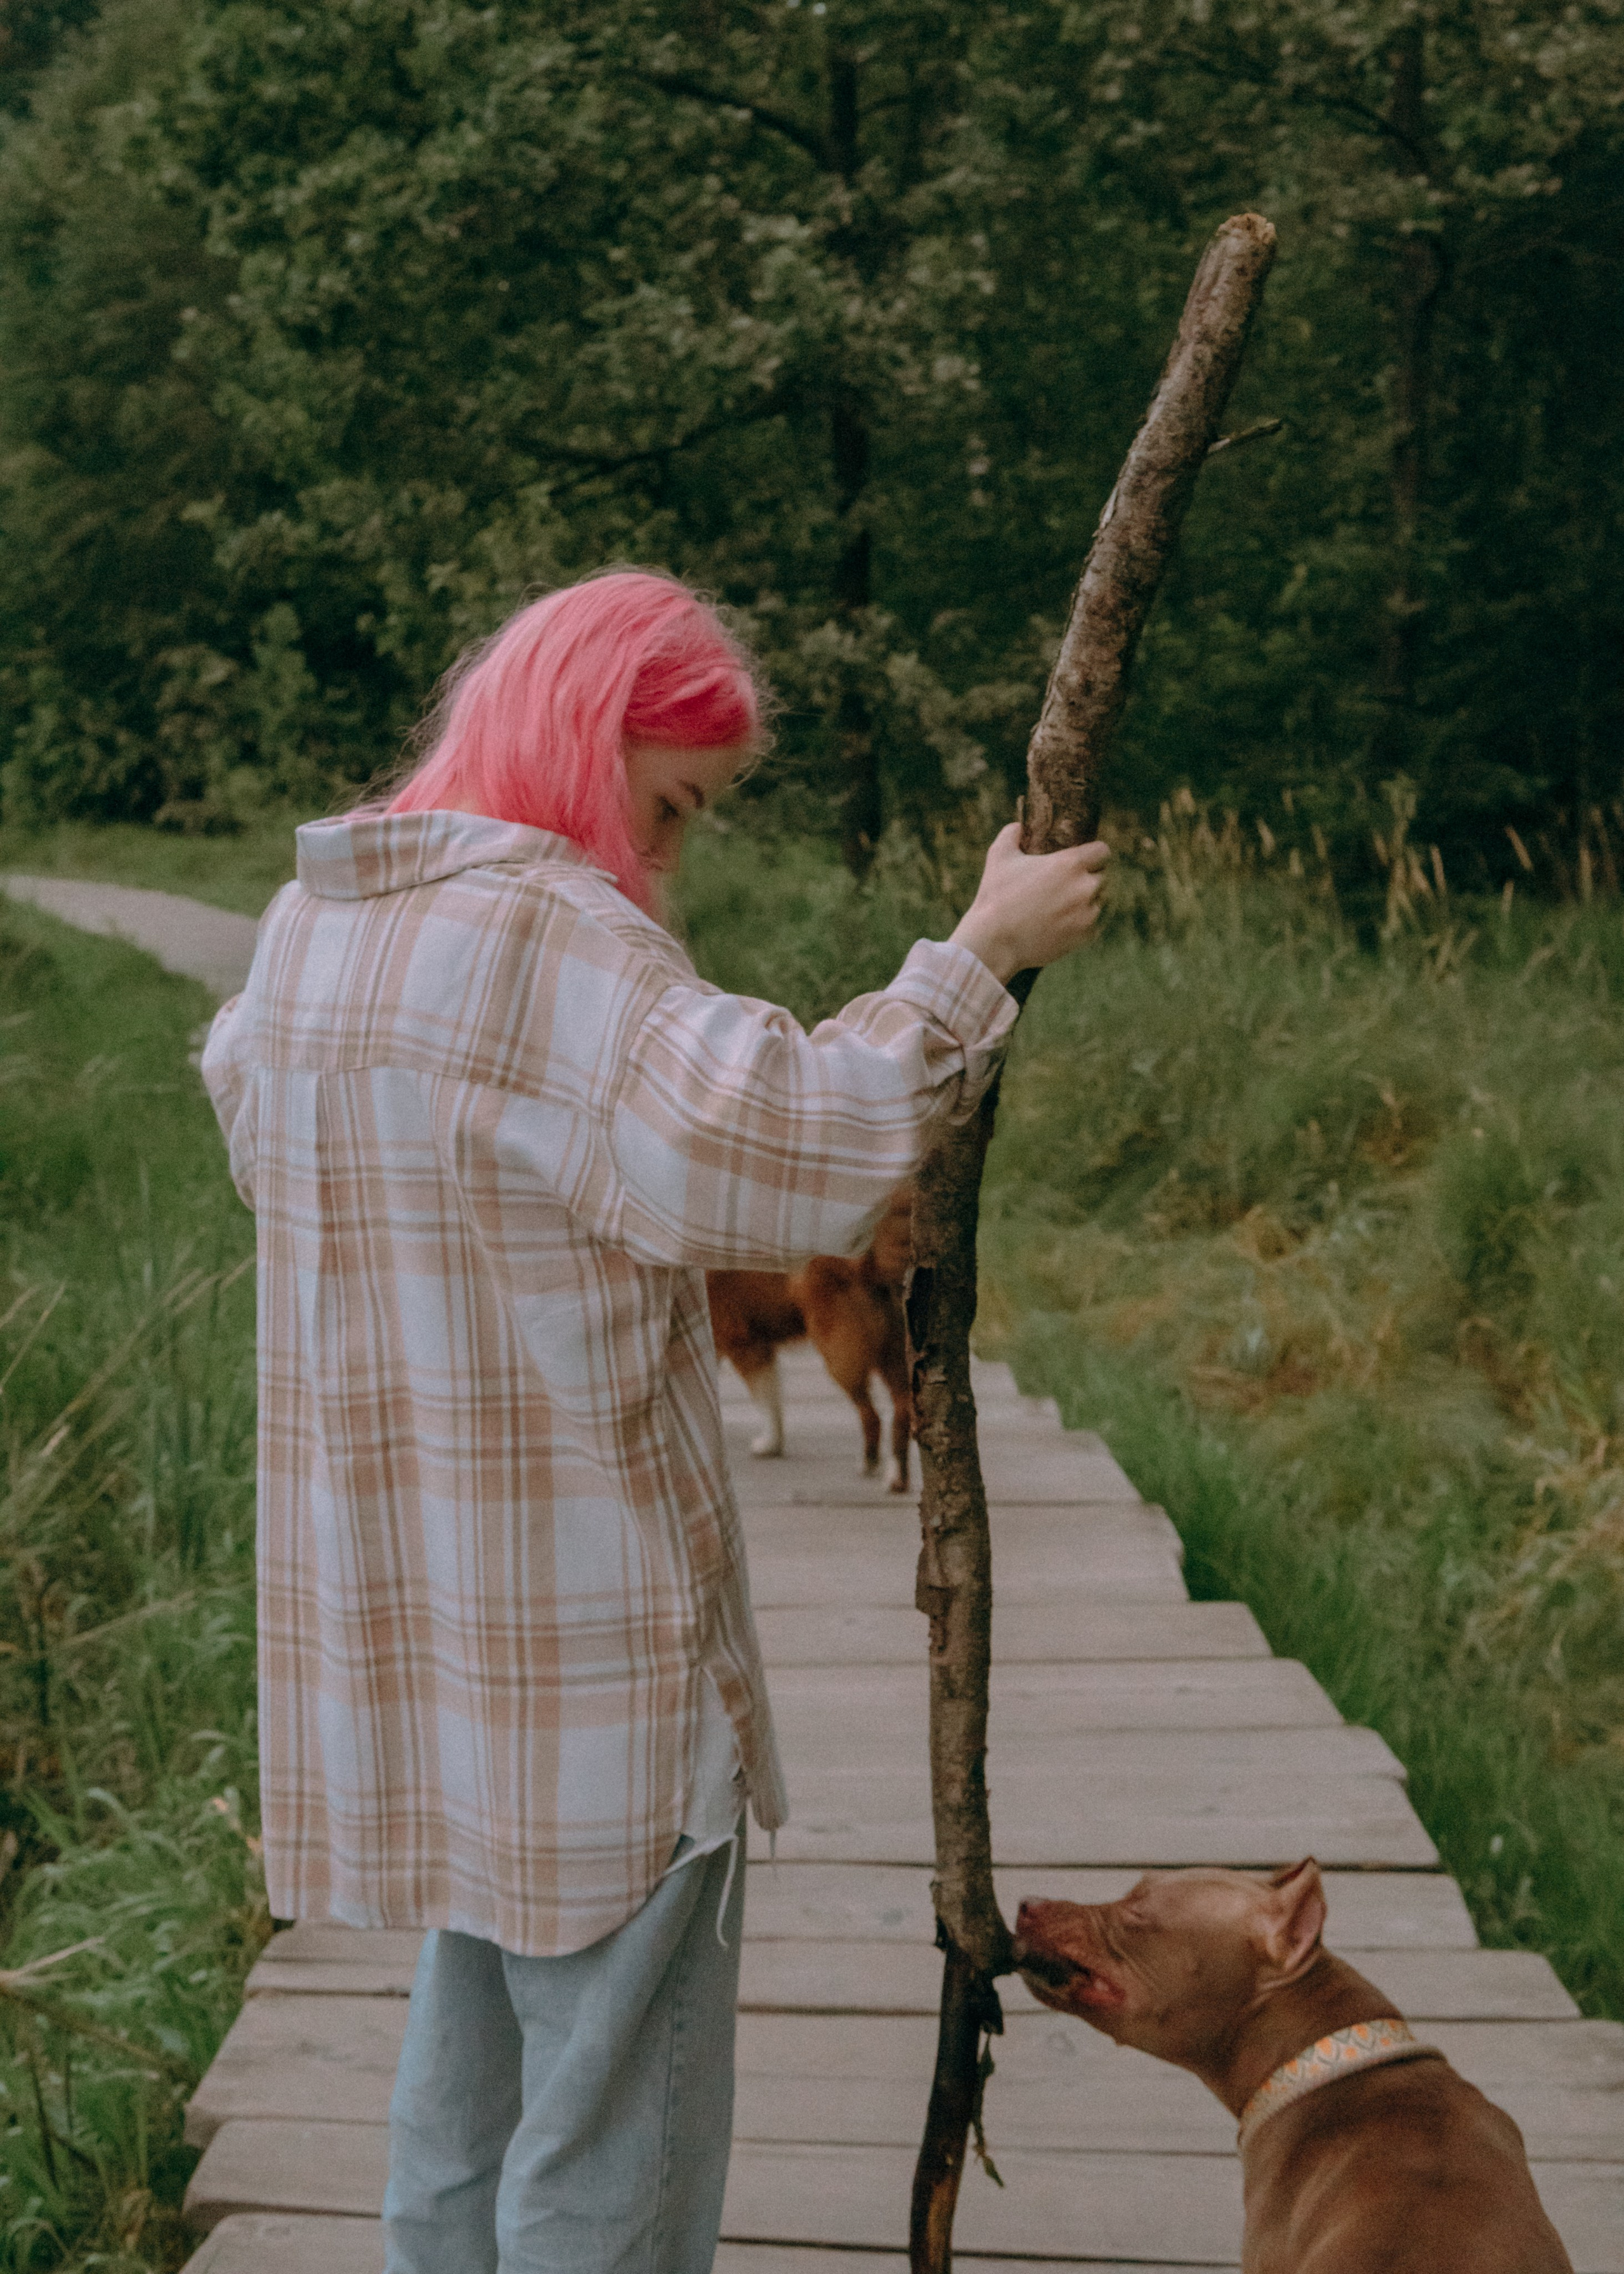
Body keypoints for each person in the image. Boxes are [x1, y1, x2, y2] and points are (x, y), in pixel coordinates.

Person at [200, 568, 1108, 2274]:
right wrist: (976, 960)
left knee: (463, 2100)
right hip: (590, 1651)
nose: (671, 854)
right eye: (671, 800)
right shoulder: (553, 937)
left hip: (428, 1649)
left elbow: (251, 1102)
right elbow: (790, 1147)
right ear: (585, 729)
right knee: (607, 2146)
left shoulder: (309, 926)